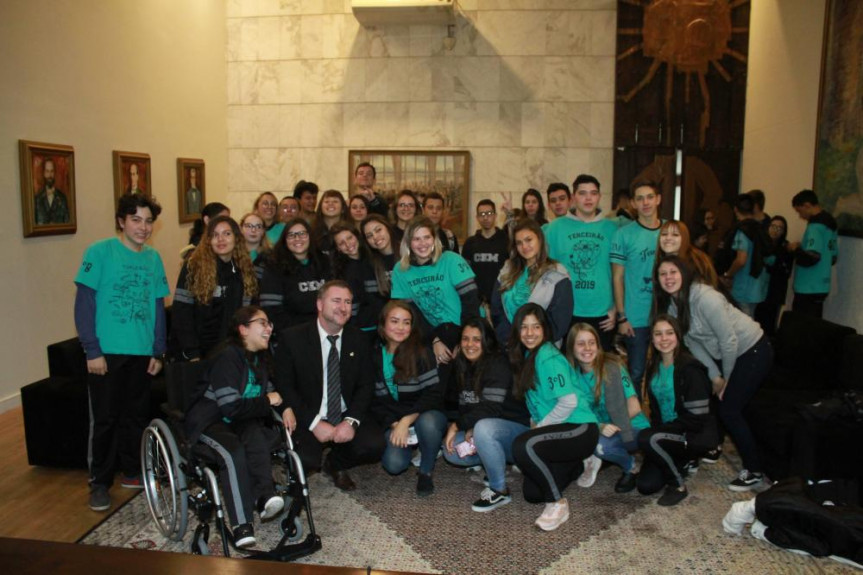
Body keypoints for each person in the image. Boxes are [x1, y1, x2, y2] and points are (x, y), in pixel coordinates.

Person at [74, 193, 169, 512]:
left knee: (135, 417)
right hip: (106, 353)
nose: (143, 227)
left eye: (148, 221)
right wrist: (92, 350)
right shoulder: (99, 252)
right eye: (136, 220)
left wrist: (159, 351)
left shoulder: (153, 258)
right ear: (121, 221)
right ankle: (99, 483)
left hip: (141, 353)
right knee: (105, 420)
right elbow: (84, 304)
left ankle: (131, 472)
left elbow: (158, 305)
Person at [654, 255, 773, 491]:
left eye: (673, 272)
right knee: (715, 398)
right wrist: (715, 377)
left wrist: (726, 379)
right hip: (726, 354)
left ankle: (755, 471)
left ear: (684, 273)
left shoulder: (706, 298)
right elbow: (692, 342)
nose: (668, 278)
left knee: (729, 408)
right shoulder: (672, 306)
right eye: (662, 274)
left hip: (753, 349)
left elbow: (729, 341)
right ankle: (713, 446)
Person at [184, 306, 286, 548]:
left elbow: (273, 394)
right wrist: (266, 401)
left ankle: (264, 497)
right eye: (262, 322)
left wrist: (285, 407)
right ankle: (241, 525)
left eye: (270, 323)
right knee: (232, 452)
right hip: (211, 419)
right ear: (243, 329)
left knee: (256, 437)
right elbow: (230, 407)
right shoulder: (228, 356)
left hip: (240, 419)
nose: (269, 328)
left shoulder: (259, 359)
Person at [274, 281, 385, 491]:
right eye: (336, 301)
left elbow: (366, 385)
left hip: (344, 412)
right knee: (306, 460)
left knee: (374, 445)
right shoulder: (292, 338)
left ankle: (335, 464)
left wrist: (351, 421)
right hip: (308, 413)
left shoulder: (359, 339)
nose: (343, 307)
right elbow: (285, 386)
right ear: (319, 304)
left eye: (348, 302)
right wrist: (314, 423)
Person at [509, 305, 599, 531]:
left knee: (523, 445)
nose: (530, 333)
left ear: (545, 329)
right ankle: (579, 463)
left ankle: (558, 504)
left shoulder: (548, 356)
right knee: (532, 493)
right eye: (524, 327)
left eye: (536, 327)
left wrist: (538, 428)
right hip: (563, 432)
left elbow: (569, 402)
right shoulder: (530, 356)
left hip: (580, 427)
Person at [442, 319, 531, 511]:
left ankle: (500, 490)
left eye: (476, 339)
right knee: (452, 451)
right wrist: (469, 426)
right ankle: (494, 462)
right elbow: (467, 405)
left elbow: (491, 409)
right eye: (465, 339)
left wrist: (457, 425)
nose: (470, 345)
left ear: (487, 341)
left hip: (518, 433)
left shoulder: (498, 363)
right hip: (489, 430)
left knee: (483, 428)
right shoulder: (463, 365)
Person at [636, 314, 718, 506]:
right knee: (645, 486)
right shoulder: (654, 366)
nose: (664, 339)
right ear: (652, 338)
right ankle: (680, 461)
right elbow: (656, 411)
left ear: (678, 335)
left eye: (669, 333)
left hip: (691, 433)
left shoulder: (690, 369)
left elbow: (698, 418)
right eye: (658, 334)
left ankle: (678, 485)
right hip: (668, 434)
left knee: (647, 437)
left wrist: (657, 434)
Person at [370, 301, 446, 496]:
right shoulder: (373, 356)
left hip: (423, 414)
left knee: (429, 422)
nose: (401, 328)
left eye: (406, 322)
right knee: (393, 465)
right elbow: (373, 401)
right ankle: (415, 444)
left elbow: (434, 395)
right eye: (394, 321)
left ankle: (426, 470)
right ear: (383, 324)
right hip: (394, 420)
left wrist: (407, 420)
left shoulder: (422, 352)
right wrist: (395, 424)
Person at [565, 323, 649, 493]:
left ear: (598, 345)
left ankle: (631, 467)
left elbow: (635, 407)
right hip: (602, 428)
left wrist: (607, 426)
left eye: (591, 342)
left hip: (632, 426)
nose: (587, 348)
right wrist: (599, 427)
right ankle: (605, 454)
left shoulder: (613, 366)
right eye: (581, 343)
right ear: (572, 348)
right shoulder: (572, 376)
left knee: (600, 447)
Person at [391, 217, 480, 365]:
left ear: (434, 239)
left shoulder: (452, 260)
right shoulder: (401, 270)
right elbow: (411, 314)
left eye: (427, 237)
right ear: (408, 242)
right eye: (416, 239)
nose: (422, 244)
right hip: (430, 333)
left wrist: (465, 341)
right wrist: (434, 340)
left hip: (464, 328)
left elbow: (471, 304)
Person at [545, 174, 619, 351]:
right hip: (567, 310)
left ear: (599, 197)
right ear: (573, 198)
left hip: (603, 313)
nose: (588, 198)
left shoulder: (612, 229)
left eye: (593, 193)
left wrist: (616, 307)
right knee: (569, 367)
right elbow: (546, 270)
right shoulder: (555, 228)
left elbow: (619, 274)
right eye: (583, 193)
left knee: (600, 370)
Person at [172, 216, 258, 361]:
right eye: (215, 235)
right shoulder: (193, 267)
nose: (221, 239)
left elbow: (250, 313)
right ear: (208, 240)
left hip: (233, 351)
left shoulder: (245, 269)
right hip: (198, 352)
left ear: (236, 238)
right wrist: (192, 352)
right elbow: (182, 312)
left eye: (227, 234)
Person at [611, 181, 664, 392]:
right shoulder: (623, 234)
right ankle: (634, 420)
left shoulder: (670, 231)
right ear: (633, 203)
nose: (646, 202)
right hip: (636, 317)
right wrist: (622, 317)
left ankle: (663, 419)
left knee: (663, 371)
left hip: (665, 314)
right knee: (636, 372)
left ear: (658, 199)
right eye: (640, 198)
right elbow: (617, 277)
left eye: (650, 197)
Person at [491, 218, 572, 346]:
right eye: (519, 243)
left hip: (542, 348)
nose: (524, 246)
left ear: (539, 239)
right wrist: (509, 339)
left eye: (529, 240)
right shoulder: (507, 269)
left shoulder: (558, 273)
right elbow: (496, 308)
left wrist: (532, 342)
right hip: (510, 345)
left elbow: (559, 321)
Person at [259, 218, 331, 332]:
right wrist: (307, 330)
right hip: (292, 333)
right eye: (291, 235)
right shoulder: (274, 267)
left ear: (310, 237)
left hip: (327, 330)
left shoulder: (325, 263)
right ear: (284, 240)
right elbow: (272, 312)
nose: (297, 238)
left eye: (302, 234)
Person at [789, 189, 839, 319]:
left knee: (801, 326)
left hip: (807, 286)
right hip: (822, 285)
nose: (800, 216)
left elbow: (811, 258)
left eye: (799, 211)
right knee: (815, 325)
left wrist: (795, 249)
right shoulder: (831, 225)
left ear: (807, 205)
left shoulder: (815, 227)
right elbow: (833, 258)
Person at [720, 194, 772, 317]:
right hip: (757, 284)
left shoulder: (743, 230)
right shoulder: (760, 228)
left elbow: (741, 260)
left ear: (735, 209)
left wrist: (728, 274)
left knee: (743, 324)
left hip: (743, 285)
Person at [331, 223, 386, 334]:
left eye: (349, 238)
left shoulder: (374, 259)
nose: (348, 244)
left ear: (357, 237)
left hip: (384, 326)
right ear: (338, 248)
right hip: (360, 329)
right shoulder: (341, 271)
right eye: (341, 243)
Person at [461, 199, 509, 306]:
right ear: (477, 217)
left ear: (495, 215)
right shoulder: (470, 243)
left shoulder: (506, 241)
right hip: (477, 302)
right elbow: (465, 276)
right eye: (482, 214)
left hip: (501, 299)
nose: (485, 217)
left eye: (489, 213)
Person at [754, 216, 794, 335]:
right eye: (773, 226)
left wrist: (772, 264)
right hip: (757, 290)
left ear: (784, 231)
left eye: (780, 228)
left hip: (774, 293)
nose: (775, 230)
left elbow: (786, 271)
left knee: (769, 325)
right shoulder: (760, 244)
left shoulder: (786, 248)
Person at [653, 220, 719, 288]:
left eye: (675, 234)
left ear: (684, 238)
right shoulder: (661, 263)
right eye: (664, 234)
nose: (668, 238)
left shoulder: (696, 262)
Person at [360, 214, 398, 299]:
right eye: (369, 236)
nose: (375, 237)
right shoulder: (368, 264)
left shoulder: (408, 253)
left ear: (388, 228)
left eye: (378, 230)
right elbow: (374, 301)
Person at [34, 158, 70, 224]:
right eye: (47, 171)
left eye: (52, 171)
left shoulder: (62, 198)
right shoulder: (37, 199)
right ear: (44, 173)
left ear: (54, 173)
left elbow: (67, 222)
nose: (50, 175)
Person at [312, 189, 348, 254]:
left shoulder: (350, 231)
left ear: (343, 209)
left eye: (335, 201)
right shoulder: (311, 231)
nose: (330, 204)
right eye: (326, 201)